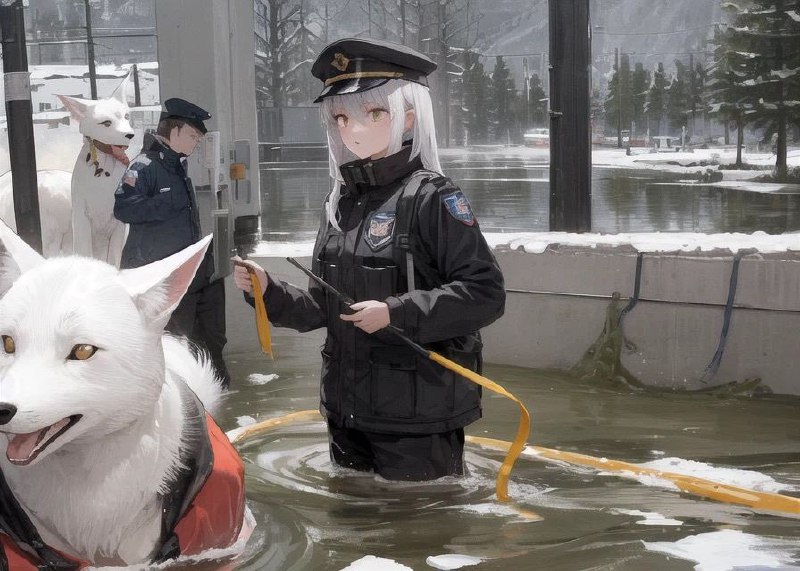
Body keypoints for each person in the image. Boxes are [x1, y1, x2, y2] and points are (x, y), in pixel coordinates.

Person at [233, 37, 505, 480]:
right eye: (341, 117)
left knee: (422, 517)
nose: (353, 129)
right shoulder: (339, 204)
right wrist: (268, 292)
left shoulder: (433, 198)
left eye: (374, 113)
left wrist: (395, 313)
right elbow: (325, 308)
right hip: (347, 412)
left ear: (409, 116)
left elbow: (485, 294)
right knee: (350, 516)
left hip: (417, 417)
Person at [114, 97, 232, 388]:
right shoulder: (144, 167)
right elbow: (123, 209)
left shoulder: (177, 166)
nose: (196, 142)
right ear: (174, 131)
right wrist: (165, 204)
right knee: (176, 342)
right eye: (192, 136)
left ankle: (217, 393)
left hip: (192, 269)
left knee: (212, 338)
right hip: (163, 274)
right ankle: (181, 396)